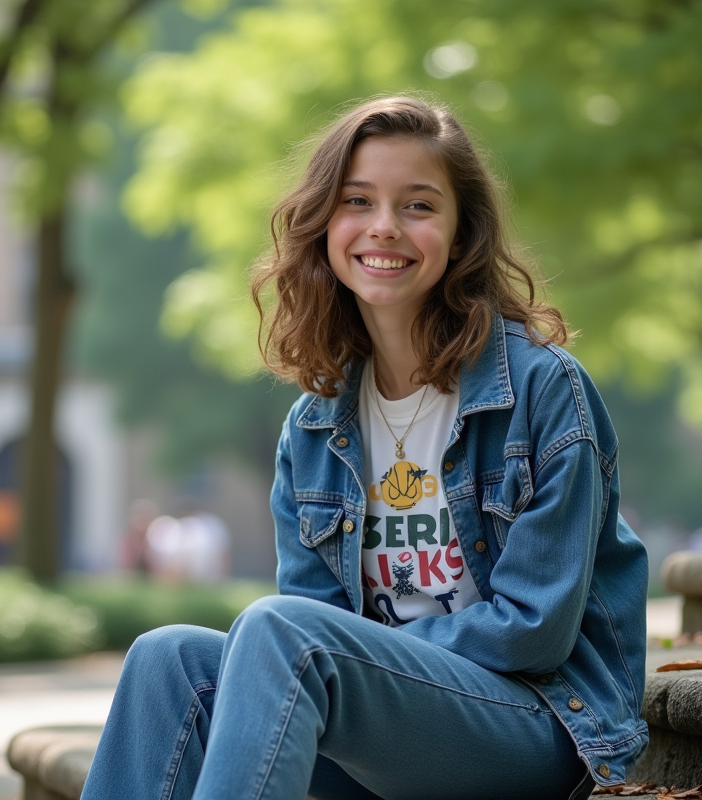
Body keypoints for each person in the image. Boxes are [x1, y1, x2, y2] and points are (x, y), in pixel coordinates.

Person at [80, 96, 648, 800]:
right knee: (168, 659)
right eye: (358, 200)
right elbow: (312, 622)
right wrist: (355, 658)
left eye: (417, 205)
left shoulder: (542, 389)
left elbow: (535, 631)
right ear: (325, 225)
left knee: (284, 633)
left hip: (535, 728)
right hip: (379, 739)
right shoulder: (314, 429)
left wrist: (369, 656)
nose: (384, 227)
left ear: (460, 233)